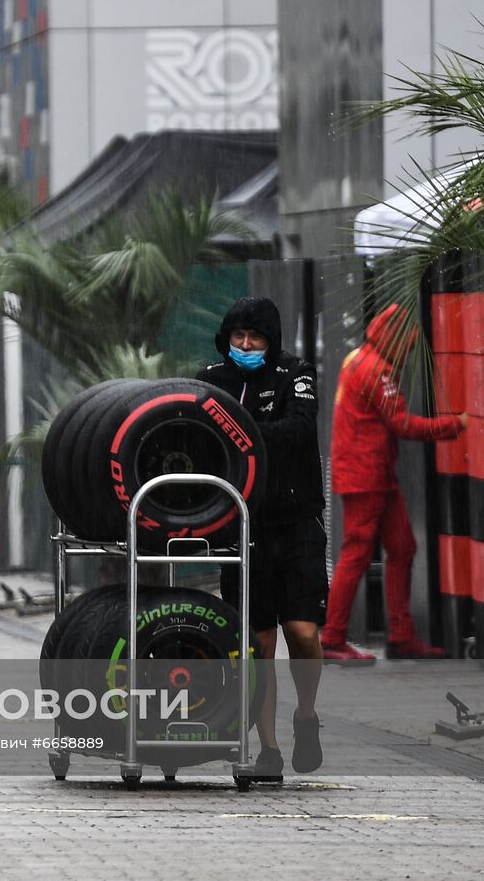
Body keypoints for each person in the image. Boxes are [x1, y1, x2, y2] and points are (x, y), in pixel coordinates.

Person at [197, 298, 325, 783]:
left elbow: (298, 429)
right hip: (243, 528)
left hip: (297, 525)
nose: (246, 347)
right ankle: (267, 748)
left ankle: (307, 716)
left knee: (303, 633)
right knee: (258, 646)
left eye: (256, 338)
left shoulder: (297, 373)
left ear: (271, 341)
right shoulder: (210, 378)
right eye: (238, 338)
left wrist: (236, 433)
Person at [321, 303, 466, 661]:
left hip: (371, 474)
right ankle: (333, 639)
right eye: (409, 344)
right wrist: (457, 424)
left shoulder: (356, 358)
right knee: (357, 553)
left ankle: (400, 636)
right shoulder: (378, 372)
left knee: (401, 547)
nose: (410, 351)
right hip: (366, 477)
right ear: (395, 339)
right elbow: (404, 425)